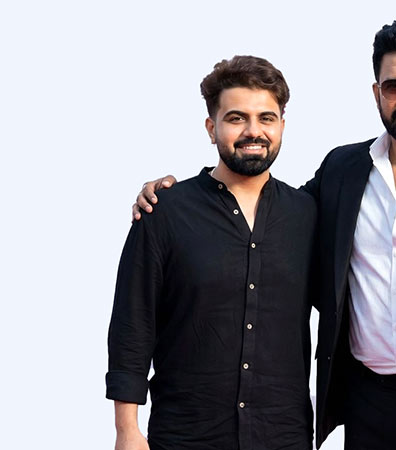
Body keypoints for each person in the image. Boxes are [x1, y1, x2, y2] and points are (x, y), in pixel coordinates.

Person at [134, 16, 396, 450]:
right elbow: (265, 215)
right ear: (376, 93)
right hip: (364, 408)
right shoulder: (342, 170)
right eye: (394, 86)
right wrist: (186, 197)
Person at [107, 55, 317, 450]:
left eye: (266, 118)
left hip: (282, 436)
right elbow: (132, 324)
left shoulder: (308, 214)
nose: (253, 131)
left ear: (282, 126)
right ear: (211, 127)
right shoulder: (165, 212)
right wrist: (127, 430)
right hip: (185, 436)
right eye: (236, 118)